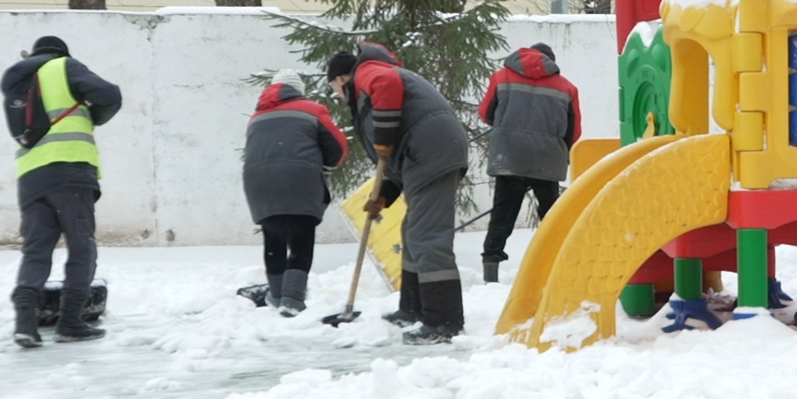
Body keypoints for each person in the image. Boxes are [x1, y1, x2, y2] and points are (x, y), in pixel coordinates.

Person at [327, 43, 470, 343]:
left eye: (335, 89)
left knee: (427, 235)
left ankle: (444, 322)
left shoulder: (367, 72)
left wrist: (383, 136)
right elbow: (391, 159)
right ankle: (413, 308)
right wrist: (385, 194)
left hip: (432, 152)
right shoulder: (370, 82)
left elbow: (387, 87)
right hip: (425, 153)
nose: (339, 96)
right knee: (412, 231)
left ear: (341, 79)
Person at [2, 35, 123, 347]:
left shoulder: (20, 82)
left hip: (30, 177)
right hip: (69, 170)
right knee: (82, 247)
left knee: (36, 252)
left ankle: (25, 324)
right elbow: (110, 95)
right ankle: (70, 321)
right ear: (60, 53)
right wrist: (93, 116)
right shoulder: (62, 67)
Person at [242, 69, 348, 316]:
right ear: (298, 91)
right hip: (299, 180)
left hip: (258, 183)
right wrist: (325, 169)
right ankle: (292, 299)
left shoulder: (256, 117)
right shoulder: (311, 109)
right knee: (301, 236)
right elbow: (338, 146)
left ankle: (277, 294)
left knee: (274, 238)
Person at [477, 42, 582, 284]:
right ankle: (556, 265)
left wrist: (507, 126)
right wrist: (558, 150)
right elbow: (573, 131)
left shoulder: (501, 77)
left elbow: (486, 114)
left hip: (509, 155)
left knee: (503, 213)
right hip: (547, 159)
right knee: (551, 215)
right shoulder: (567, 87)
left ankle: (491, 268)